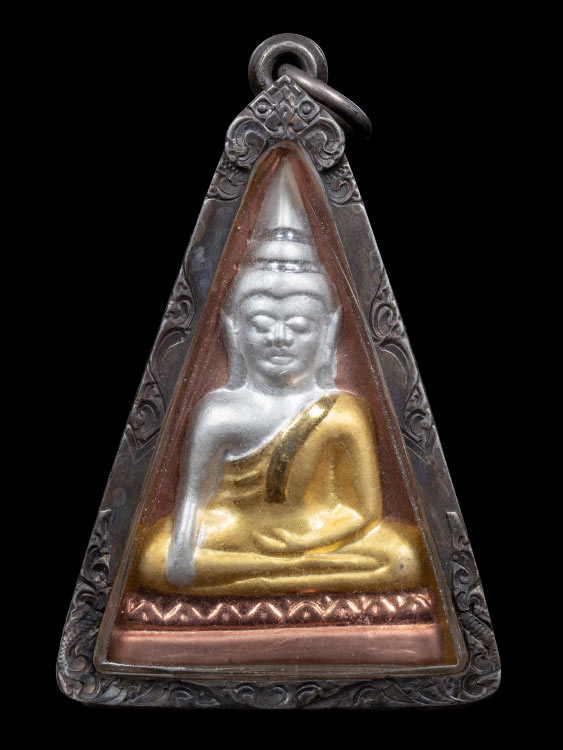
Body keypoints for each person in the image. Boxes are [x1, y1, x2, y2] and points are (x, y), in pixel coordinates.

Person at [134, 159, 427, 596]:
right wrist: (183, 551)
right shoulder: (218, 412)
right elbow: (191, 507)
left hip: (314, 537)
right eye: (260, 323)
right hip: (233, 535)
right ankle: (289, 583)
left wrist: (306, 541)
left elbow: (363, 512)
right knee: (154, 557)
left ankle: (262, 583)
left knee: (402, 555)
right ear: (233, 331)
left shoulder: (342, 413)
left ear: (327, 333)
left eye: (299, 325)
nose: (279, 337)